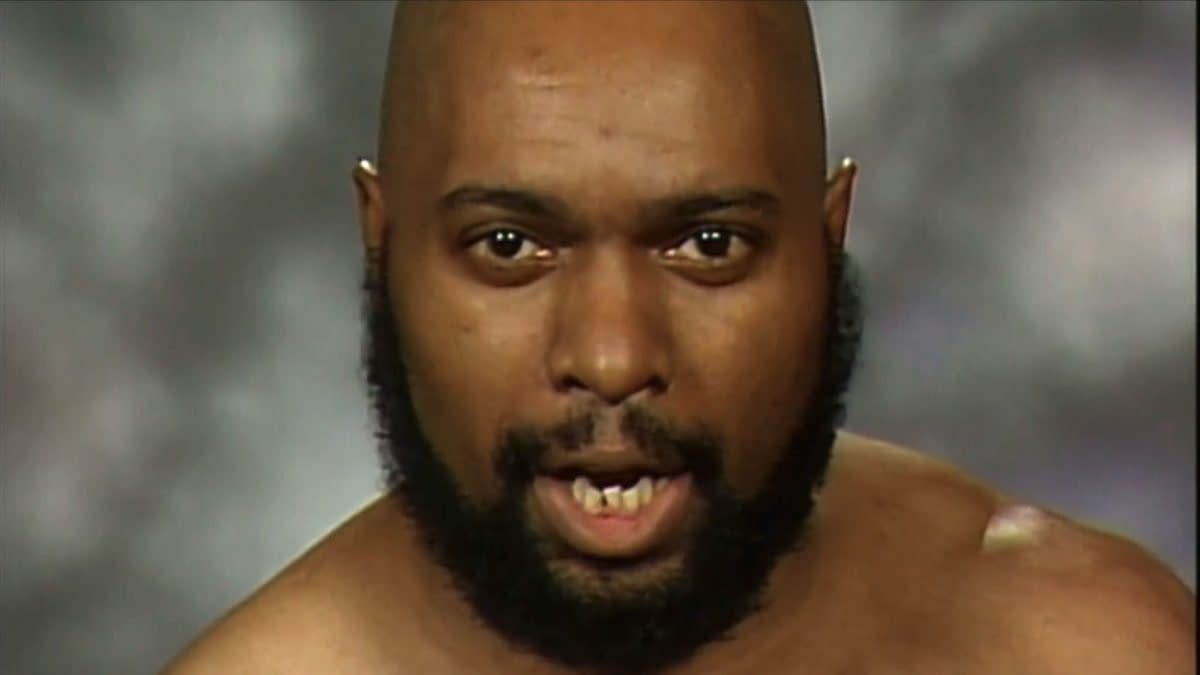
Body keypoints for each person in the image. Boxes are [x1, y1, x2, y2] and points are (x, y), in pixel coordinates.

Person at [163, 2, 1194, 673]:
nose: (613, 358)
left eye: (709, 244)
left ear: (829, 242)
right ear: (381, 247)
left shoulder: (1078, 645)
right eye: (511, 244)